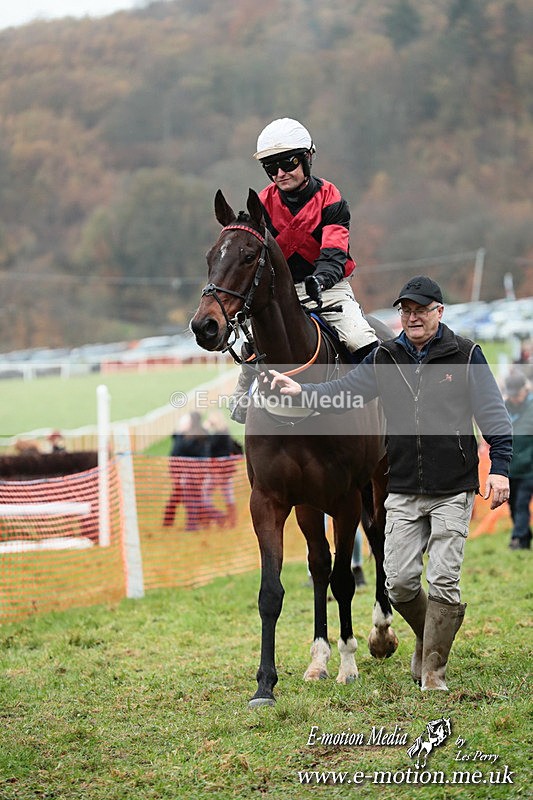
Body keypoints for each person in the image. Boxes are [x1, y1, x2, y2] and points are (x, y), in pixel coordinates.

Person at [266, 276, 512, 692]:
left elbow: (494, 414)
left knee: (444, 583)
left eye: (420, 310)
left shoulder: (466, 355)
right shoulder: (386, 357)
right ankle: (430, 637)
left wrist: (501, 467)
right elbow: (345, 389)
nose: (412, 317)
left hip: (452, 487)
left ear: (439, 312)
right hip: (402, 487)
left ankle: (432, 671)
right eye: (405, 311)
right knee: (398, 584)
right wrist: (302, 390)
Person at [230, 117, 378, 422]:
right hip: (281, 292)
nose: (281, 173)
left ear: (307, 158)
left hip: (328, 288)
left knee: (360, 338)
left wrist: (320, 280)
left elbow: (335, 252)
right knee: (253, 343)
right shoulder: (261, 203)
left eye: (288, 163)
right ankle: (243, 394)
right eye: (272, 167)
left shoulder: (331, 198)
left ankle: (389, 402)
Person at [163, 412, 211, 530]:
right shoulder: (196, 434)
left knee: (189, 498)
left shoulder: (192, 437)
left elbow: (179, 450)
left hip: (190, 472)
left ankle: (192, 524)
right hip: (189, 471)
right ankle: (206, 520)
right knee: (192, 498)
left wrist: (179, 433)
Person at [504, 370, 533, 550]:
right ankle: (525, 535)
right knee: (513, 505)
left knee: (522, 503)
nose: (516, 399)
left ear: (526, 389)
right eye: (513, 395)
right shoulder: (503, 407)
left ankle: (518, 540)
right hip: (509, 468)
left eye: (519, 394)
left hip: (529, 468)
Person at [203, 411, 243, 527]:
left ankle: (216, 516)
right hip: (226, 470)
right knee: (228, 495)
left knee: (205, 492)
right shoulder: (225, 432)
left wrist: (206, 429)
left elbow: (208, 446)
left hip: (217, 469)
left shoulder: (218, 434)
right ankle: (231, 520)